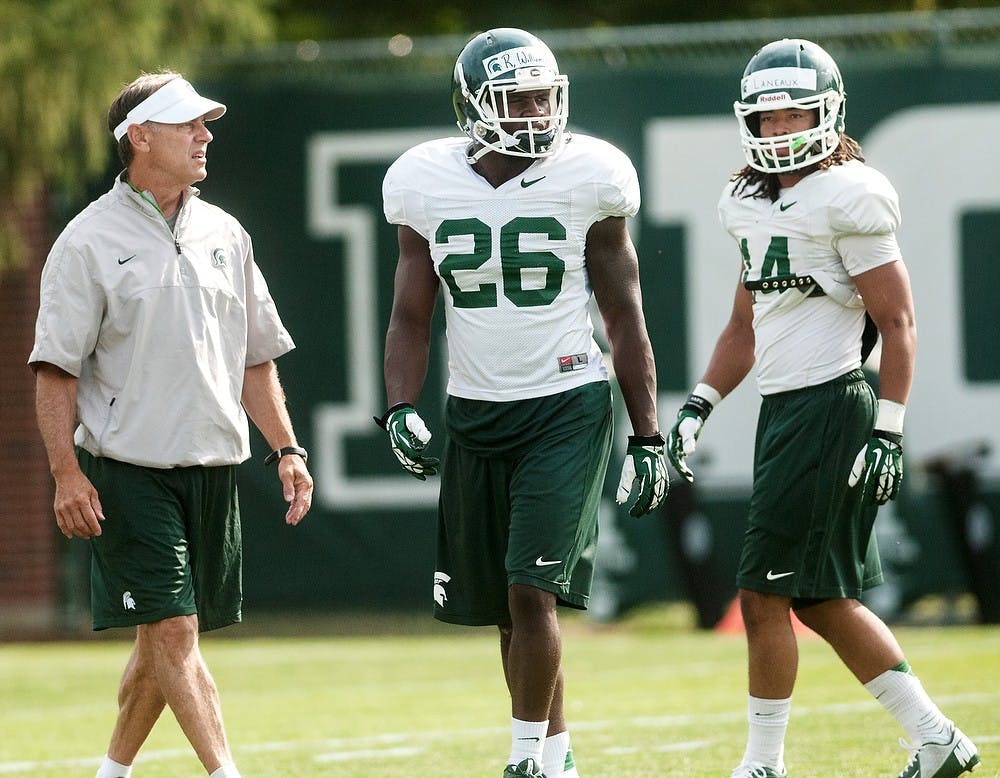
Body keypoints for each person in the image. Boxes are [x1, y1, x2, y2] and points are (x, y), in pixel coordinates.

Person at [665, 39, 981, 778]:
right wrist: (698, 406)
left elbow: (899, 324)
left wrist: (889, 430)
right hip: (786, 411)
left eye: (792, 115)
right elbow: (745, 326)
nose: (778, 130)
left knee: (763, 594)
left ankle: (763, 764)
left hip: (832, 404)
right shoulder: (744, 201)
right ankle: (938, 739)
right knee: (821, 599)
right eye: (766, 119)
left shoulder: (851, 194)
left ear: (828, 113)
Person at [377, 27, 667, 778]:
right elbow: (411, 312)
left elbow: (624, 314)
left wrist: (648, 436)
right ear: (471, 107)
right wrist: (401, 405)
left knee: (531, 591)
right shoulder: (423, 180)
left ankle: (525, 760)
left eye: (545, 96)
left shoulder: (591, 174)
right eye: (517, 99)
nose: (537, 113)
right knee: (506, 609)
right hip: (475, 408)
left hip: (566, 402)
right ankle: (560, 756)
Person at [29, 71, 314, 778]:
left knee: (159, 642)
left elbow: (255, 360)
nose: (205, 134)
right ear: (140, 137)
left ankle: (111, 772)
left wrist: (287, 449)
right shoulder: (85, 241)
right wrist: (66, 472)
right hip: (127, 472)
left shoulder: (226, 232)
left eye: (205, 124)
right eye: (188, 124)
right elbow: (55, 370)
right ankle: (226, 772)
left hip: (214, 466)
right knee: (175, 629)